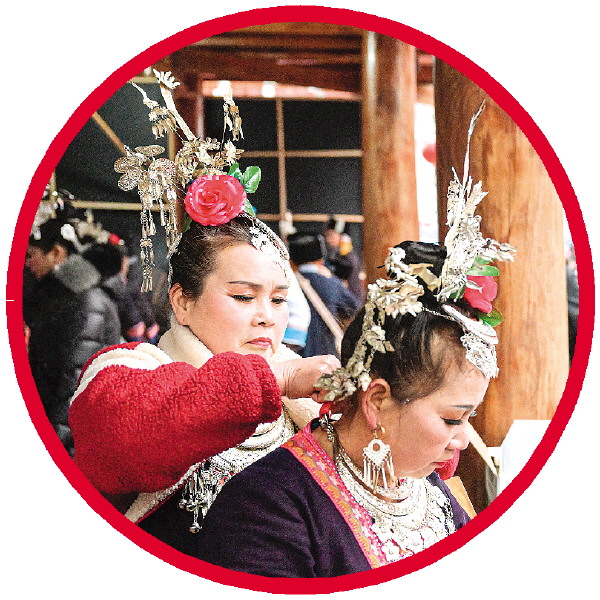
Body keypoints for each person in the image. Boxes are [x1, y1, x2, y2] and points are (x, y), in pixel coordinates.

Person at [188, 107, 517, 576]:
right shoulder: (266, 509)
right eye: (452, 418)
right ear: (376, 401)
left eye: (280, 298)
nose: (463, 438)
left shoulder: (419, 483)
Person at [68, 71, 339, 543]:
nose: (266, 315)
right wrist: (275, 380)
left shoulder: (305, 398)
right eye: (243, 296)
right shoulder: (127, 372)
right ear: (183, 301)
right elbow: (125, 442)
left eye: (279, 299)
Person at [24, 214, 121, 455]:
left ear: (56, 253)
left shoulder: (85, 301)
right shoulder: (62, 297)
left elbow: (74, 383)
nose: (27, 263)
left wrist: (56, 449)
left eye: (30, 255)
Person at [288, 232, 360, 359]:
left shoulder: (286, 285)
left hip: (295, 356)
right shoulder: (331, 282)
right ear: (321, 260)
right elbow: (354, 308)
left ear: (292, 262)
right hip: (327, 355)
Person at [324, 216, 365, 303]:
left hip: (350, 301)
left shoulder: (348, 258)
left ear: (342, 236)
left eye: (331, 235)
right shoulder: (336, 254)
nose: (328, 239)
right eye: (327, 235)